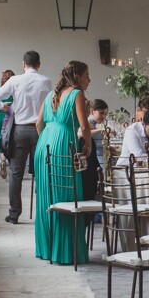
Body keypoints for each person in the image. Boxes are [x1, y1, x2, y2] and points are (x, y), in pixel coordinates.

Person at [33, 60, 92, 265]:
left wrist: (47, 138)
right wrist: (88, 144)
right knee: (66, 193)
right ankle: (65, 252)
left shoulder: (51, 94)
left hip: (44, 145)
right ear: (77, 77)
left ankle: (46, 249)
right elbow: (84, 126)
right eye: (87, 76)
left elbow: (38, 123)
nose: (89, 80)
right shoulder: (77, 94)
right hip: (63, 144)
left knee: (47, 195)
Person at [0, 51, 52, 224]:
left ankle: (14, 214)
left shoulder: (15, 80)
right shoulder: (46, 82)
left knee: (16, 174)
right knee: (41, 173)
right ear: (39, 64)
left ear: (23, 65)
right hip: (40, 131)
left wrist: (3, 107)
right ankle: (43, 213)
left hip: (20, 130)